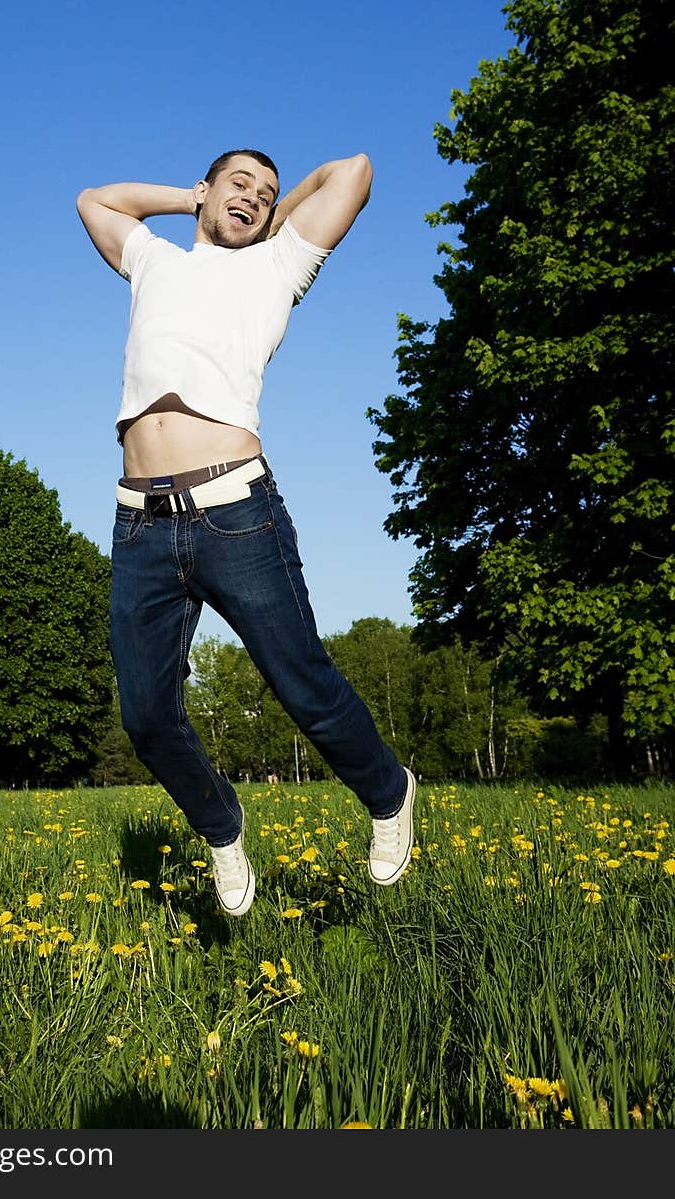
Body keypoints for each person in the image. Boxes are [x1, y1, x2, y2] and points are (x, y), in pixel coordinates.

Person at [76, 149, 415, 916]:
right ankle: (223, 830)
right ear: (206, 192)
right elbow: (95, 200)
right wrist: (190, 196)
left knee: (303, 683)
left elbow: (356, 169)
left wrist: (274, 220)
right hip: (140, 524)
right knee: (146, 715)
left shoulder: (279, 268)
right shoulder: (156, 263)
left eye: (264, 193)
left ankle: (389, 792)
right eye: (239, 185)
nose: (254, 199)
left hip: (236, 512)